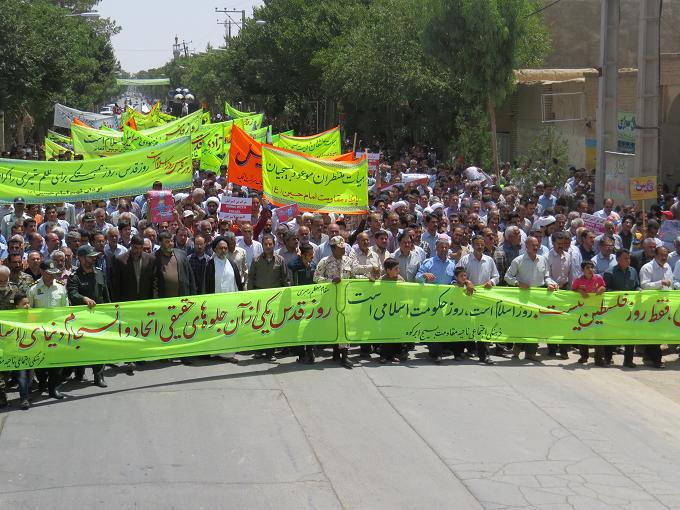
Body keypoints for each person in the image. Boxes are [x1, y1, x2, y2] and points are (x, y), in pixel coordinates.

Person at [314, 235, 378, 368]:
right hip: (330, 300)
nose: (343, 250)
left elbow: (356, 272)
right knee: (334, 326)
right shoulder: (325, 261)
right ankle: (336, 352)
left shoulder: (348, 260)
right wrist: (330, 281)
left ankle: (345, 356)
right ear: (333, 248)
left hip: (346, 300)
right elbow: (316, 277)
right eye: (340, 248)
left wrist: (368, 277)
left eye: (344, 247)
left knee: (345, 326)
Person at [504, 236, 558, 361]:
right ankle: (516, 350)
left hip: (538, 296)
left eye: (537, 244)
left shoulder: (543, 260)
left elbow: (547, 277)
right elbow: (508, 277)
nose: (535, 247)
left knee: (535, 325)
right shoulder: (518, 260)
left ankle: (530, 353)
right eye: (532, 245)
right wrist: (518, 283)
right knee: (522, 324)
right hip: (523, 296)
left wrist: (550, 283)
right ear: (526, 246)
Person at [66, 245, 111, 387]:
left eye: (94, 257)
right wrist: (84, 299)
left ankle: (99, 376)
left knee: (100, 347)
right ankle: (79, 373)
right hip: (82, 318)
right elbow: (72, 294)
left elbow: (105, 293)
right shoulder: (74, 277)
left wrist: (110, 311)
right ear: (81, 258)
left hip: (99, 317)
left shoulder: (99, 273)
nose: (93, 259)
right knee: (82, 346)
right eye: (90, 257)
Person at [456, 235, 500, 365]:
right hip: (467, 297)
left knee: (483, 327)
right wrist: (467, 281)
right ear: (473, 245)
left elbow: (496, 276)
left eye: (482, 244)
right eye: (477, 244)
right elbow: (457, 274)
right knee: (464, 325)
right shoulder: (465, 260)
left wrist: (491, 282)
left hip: (483, 299)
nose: (480, 247)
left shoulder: (489, 260)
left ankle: (484, 355)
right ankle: (459, 352)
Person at [27, 261, 68, 399]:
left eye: (53, 273)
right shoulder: (33, 289)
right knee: (41, 360)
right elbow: (28, 311)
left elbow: (66, 309)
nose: (51, 276)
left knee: (57, 360)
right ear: (42, 271)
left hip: (57, 330)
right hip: (39, 331)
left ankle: (54, 387)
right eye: (49, 273)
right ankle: (42, 381)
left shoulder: (61, 287)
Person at [248, 233, 290, 361]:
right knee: (259, 324)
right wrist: (250, 295)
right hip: (259, 297)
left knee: (272, 326)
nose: (268, 246)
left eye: (270, 244)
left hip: (275, 299)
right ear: (262, 245)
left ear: (274, 244)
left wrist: (286, 296)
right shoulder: (256, 260)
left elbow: (285, 279)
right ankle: (259, 350)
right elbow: (251, 279)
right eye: (265, 244)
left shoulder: (280, 260)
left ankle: (270, 352)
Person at [416, 237, 456, 363]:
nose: (444, 249)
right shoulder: (429, 262)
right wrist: (424, 276)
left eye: (446, 247)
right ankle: (436, 353)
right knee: (432, 327)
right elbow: (417, 278)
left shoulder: (452, 264)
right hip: (431, 301)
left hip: (447, 302)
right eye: (441, 247)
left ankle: (440, 349)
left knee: (443, 327)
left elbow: (455, 279)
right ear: (436, 249)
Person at [603, 249, 639, 368]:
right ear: (618, 259)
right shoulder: (610, 272)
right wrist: (619, 294)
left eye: (629, 258)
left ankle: (628, 360)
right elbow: (605, 290)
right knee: (611, 334)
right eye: (625, 258)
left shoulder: (633, 271)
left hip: (630, 309)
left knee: (630, 335)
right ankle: (608, 358)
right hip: (614, 309)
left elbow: (637, 286)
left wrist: (639, 291)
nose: (628, 260)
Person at [639, 246, 673, 369]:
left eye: (666, 255)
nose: (664, 258)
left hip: (665, 305)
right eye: (661, 255)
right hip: (651, 306)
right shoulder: (647, 268)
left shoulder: (668, 267)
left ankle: (648, 356)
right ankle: (656, 360)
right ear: (655, 255)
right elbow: (644, 285)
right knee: (655, 333)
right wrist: (660, 283)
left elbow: (671, 284)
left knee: (659, 334)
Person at [571, 261, 607, 365]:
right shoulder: (578, 280)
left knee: (598, 334)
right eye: (587, 268)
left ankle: (599, 359)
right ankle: (584, 356)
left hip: (597, 311)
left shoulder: (598, 278)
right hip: (584, 311)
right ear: (582, 270)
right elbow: (572, 292)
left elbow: (603, 287)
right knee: (583, 334)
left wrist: (601, 289)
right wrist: (580, 291)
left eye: (592, 267)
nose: (590, 270)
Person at [288, 243, 317, 364]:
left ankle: (310, 351)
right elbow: (289, 264)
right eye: (309, 255)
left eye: (312, 254)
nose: (312, 257)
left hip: (311, 301)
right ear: (303, 255)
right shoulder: (296, 265)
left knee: (309, 327)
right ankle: (301, 354)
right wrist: (298, 257)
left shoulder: (313, 265)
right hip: (298, 302)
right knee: (298, 327)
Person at [0, 265, 18, 408]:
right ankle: (1, 394)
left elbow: (23, 306)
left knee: (6, 365)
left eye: (4, 281)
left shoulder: (15, 290)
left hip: (10, 334)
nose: (2, 283)